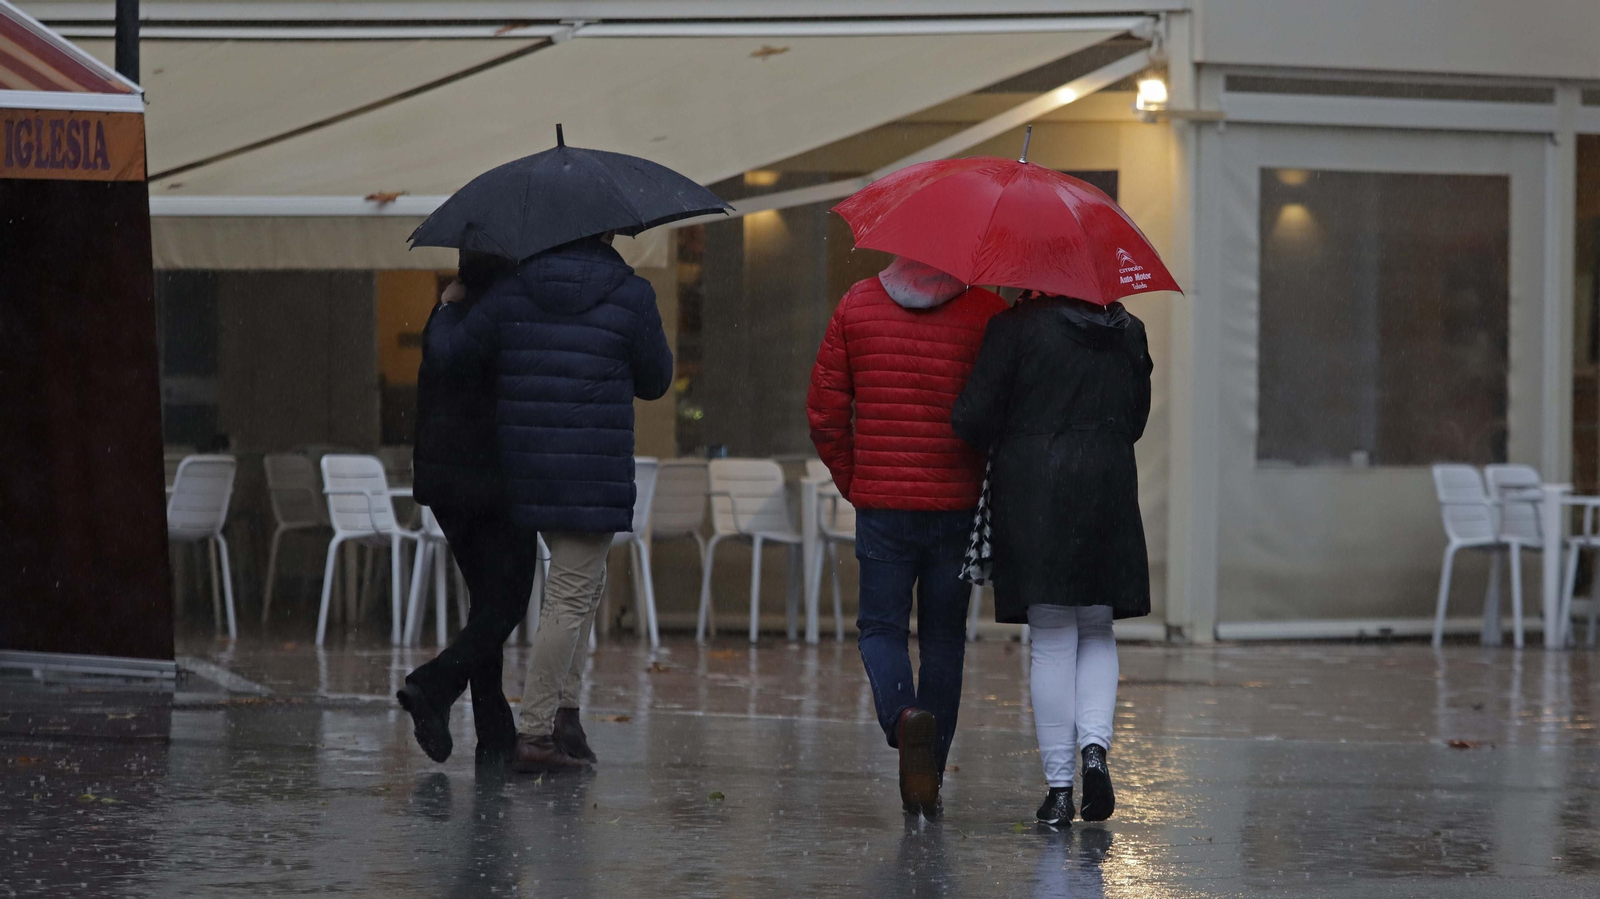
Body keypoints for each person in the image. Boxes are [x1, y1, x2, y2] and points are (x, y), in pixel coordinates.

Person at [426, 231, 673, 775]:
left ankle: (566, 715)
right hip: (593, 468)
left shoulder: (512, 294)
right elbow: (656, 381)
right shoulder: (633, 295)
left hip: (524, 468)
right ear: (608, 232)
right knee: (569, 595)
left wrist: (447, 308)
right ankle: (536, 732)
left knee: (581, 589)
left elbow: (453, 355)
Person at [806, 256, 1006, 815]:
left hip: (883, 506)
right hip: (957, 504)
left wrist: (857, 479)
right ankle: (930, 772)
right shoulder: (987, 311)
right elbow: (999, 410)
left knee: (881, 628)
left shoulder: (857, 304)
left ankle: (903, 718)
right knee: (943, 639)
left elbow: (824, 411)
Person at [951, 291, 1153, 827]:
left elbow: (973, 416)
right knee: (1096, 626)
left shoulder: (1016, 327)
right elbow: (1135, 420)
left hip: (1036, 488)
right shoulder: (1128, 330)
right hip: (1108, 485)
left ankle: (1061, 790)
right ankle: (1094, 751)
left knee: (1052, 640)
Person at [398, 249, 530, 769]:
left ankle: (495, 737)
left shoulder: (442, 318)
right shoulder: (505, 322)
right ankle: (434, 683)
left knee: (486, 602)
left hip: (446, 487)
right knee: (508, 601)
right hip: (494, 481)